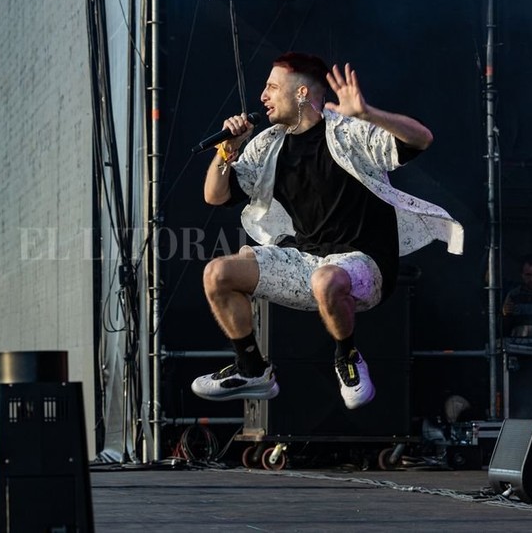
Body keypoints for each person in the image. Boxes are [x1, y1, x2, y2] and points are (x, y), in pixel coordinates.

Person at [191, 52, 464, 409]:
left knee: (327, 280)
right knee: (217, 274)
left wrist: (367, 114)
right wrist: (228, 149)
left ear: (302, 93)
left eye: (272, 87)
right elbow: (216, 195)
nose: (262, 97)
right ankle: (253, 370)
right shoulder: (268, 144)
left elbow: (422, 138)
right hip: (306, 262)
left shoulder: (347, 132)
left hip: (364, 266)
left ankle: (348, 358)